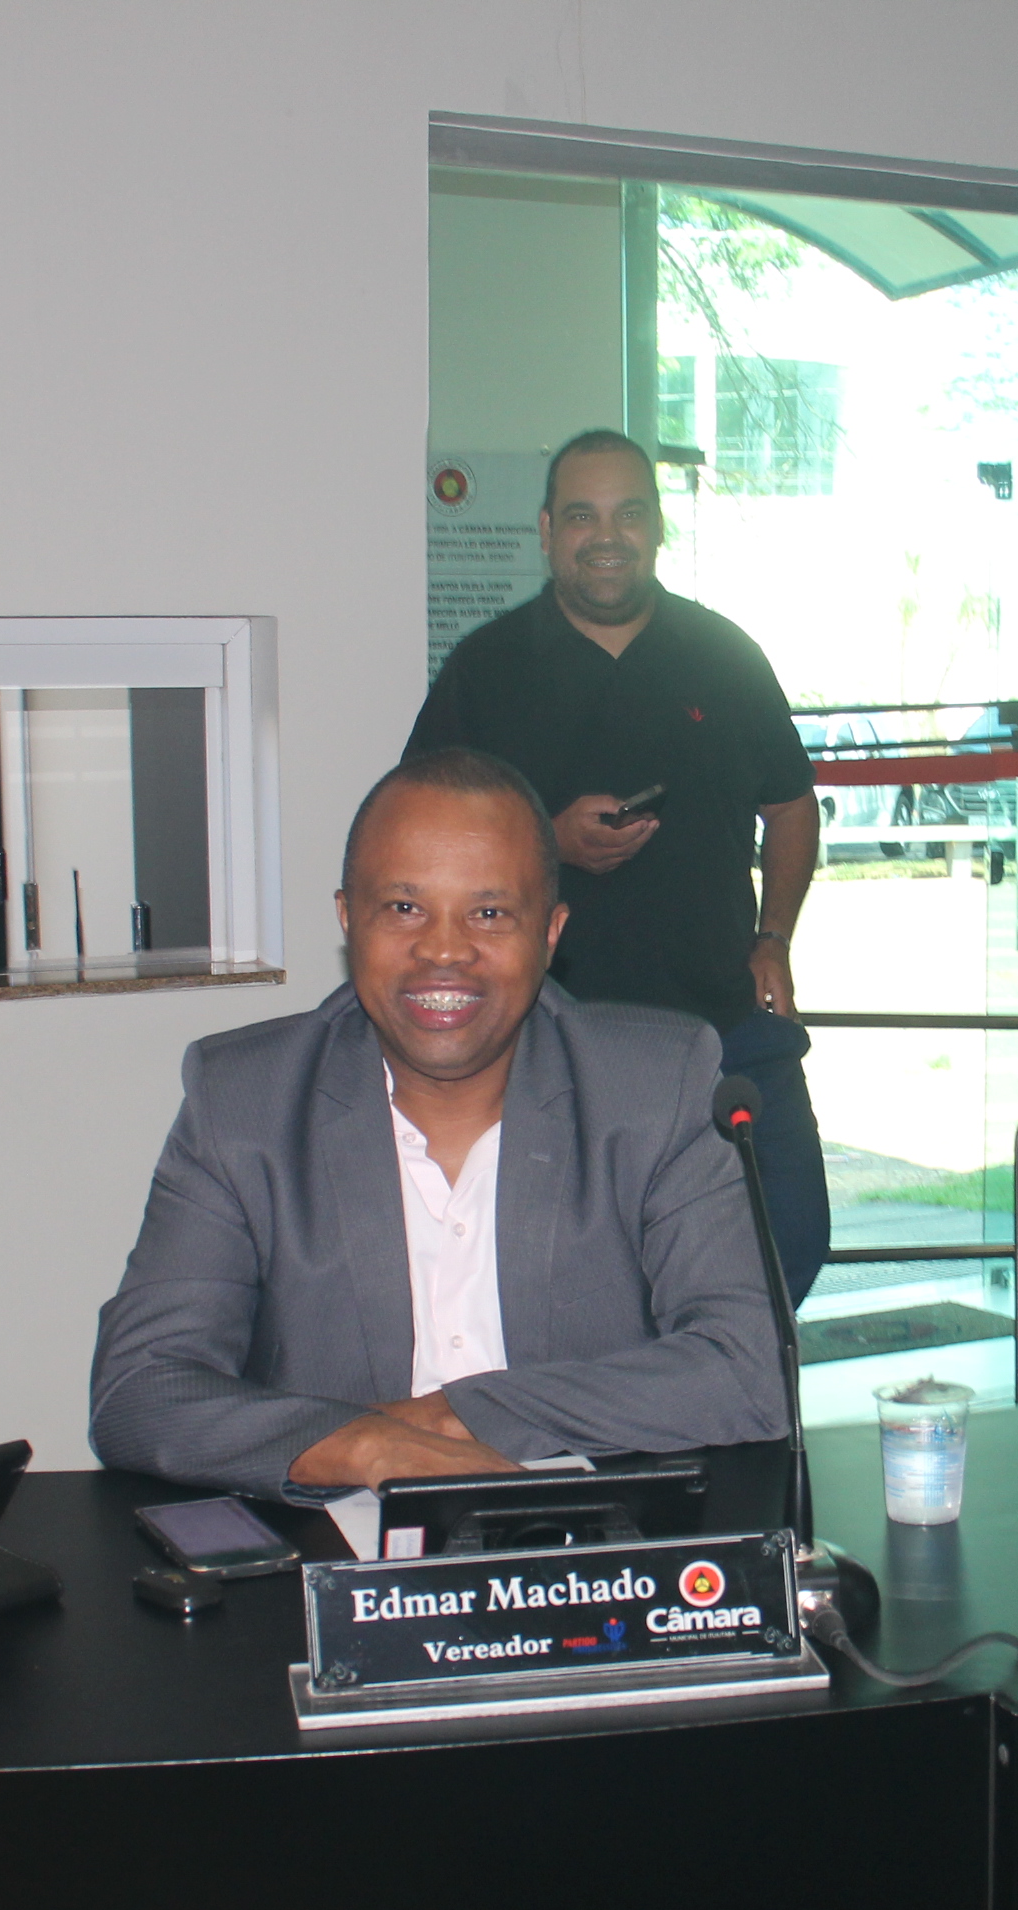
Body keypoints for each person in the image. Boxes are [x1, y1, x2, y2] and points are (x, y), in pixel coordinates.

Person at [86, 749, 790, 1500]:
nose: (445, 950)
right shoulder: (246, 1101)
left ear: (550, 933)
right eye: (404, 908)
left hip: (588, 1546)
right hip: (330, 1550)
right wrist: (367, 1448)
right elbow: (141, 1390)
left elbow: (750, 1370)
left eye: (489, 913)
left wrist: (451, 1419)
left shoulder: (654, 1086)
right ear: (348, 919)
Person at [404, 427, 830, 1305]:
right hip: (551, 1046)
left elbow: (791, 807)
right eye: (582, 516)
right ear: (547, 530)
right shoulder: (487, 669)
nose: (607, 537)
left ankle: (740, 1388)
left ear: (658, 525)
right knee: (584, 1289)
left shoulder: (725, 655)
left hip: (721, 1029)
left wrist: (774, 939)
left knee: (785, 1244)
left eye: (628, 514)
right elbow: (419, 838)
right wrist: (547, 842)